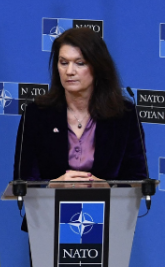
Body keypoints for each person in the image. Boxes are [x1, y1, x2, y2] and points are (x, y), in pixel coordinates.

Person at [14, 27, 147, 183]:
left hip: (109, 206)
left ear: (98, 67)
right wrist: (52, 186)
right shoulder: (36, 114)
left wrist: (107, 188)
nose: (69, 71)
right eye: (63, 63)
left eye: (80, 63)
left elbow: (137, 181)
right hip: (49, 206)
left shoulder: (124, 115)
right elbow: (22, 181)